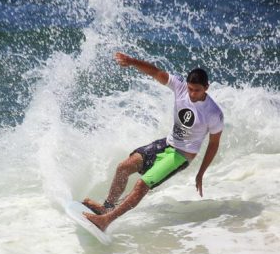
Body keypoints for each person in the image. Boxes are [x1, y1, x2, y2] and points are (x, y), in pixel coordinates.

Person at [82, 52, 224, 232]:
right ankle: (107, 207)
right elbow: (156, 72)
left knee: (141, 185)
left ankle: (105, 220)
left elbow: (214, 144)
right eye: (190, 89)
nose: (193, 94)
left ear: (206, 87)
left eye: (197, 90)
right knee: (123, 167)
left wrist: (201, 173)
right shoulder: (180, 88)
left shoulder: (213, 113)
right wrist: (132, 61)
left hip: (181, 156)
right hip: (166, 143)